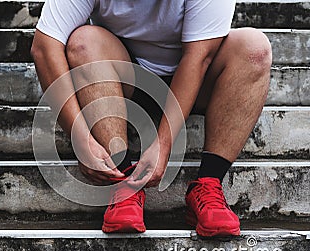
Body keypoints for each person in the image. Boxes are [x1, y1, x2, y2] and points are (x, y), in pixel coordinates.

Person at [30, 0, 272, 236]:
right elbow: (44, 47)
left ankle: (208, 185)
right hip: (126, 78)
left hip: (195, 82)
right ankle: (123, 181)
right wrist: (80, 139)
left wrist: (164, 144)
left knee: (254, 47)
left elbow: (199, 59)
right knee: (83, 41)